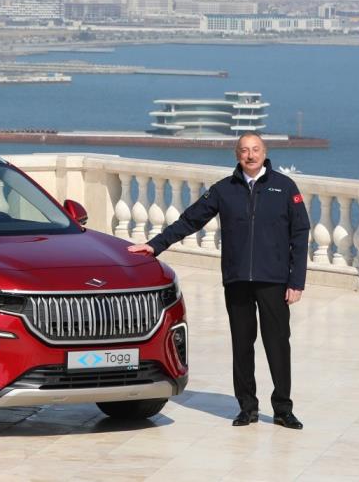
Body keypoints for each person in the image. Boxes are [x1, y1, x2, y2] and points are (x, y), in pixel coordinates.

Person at [128, 132, 310, 429]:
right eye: (244, 151)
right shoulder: (224, 190)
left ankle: (283, 408)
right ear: (236, 155)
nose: (250, 155)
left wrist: (296, 281)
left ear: (265, 152)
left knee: (278, 344)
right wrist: (155, 245)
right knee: (242, 344)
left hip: (273, 281)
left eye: (255, 150)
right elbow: (190, 220)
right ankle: (247, 407)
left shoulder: (285, 187)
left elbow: (300, 234)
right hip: (237, 279)